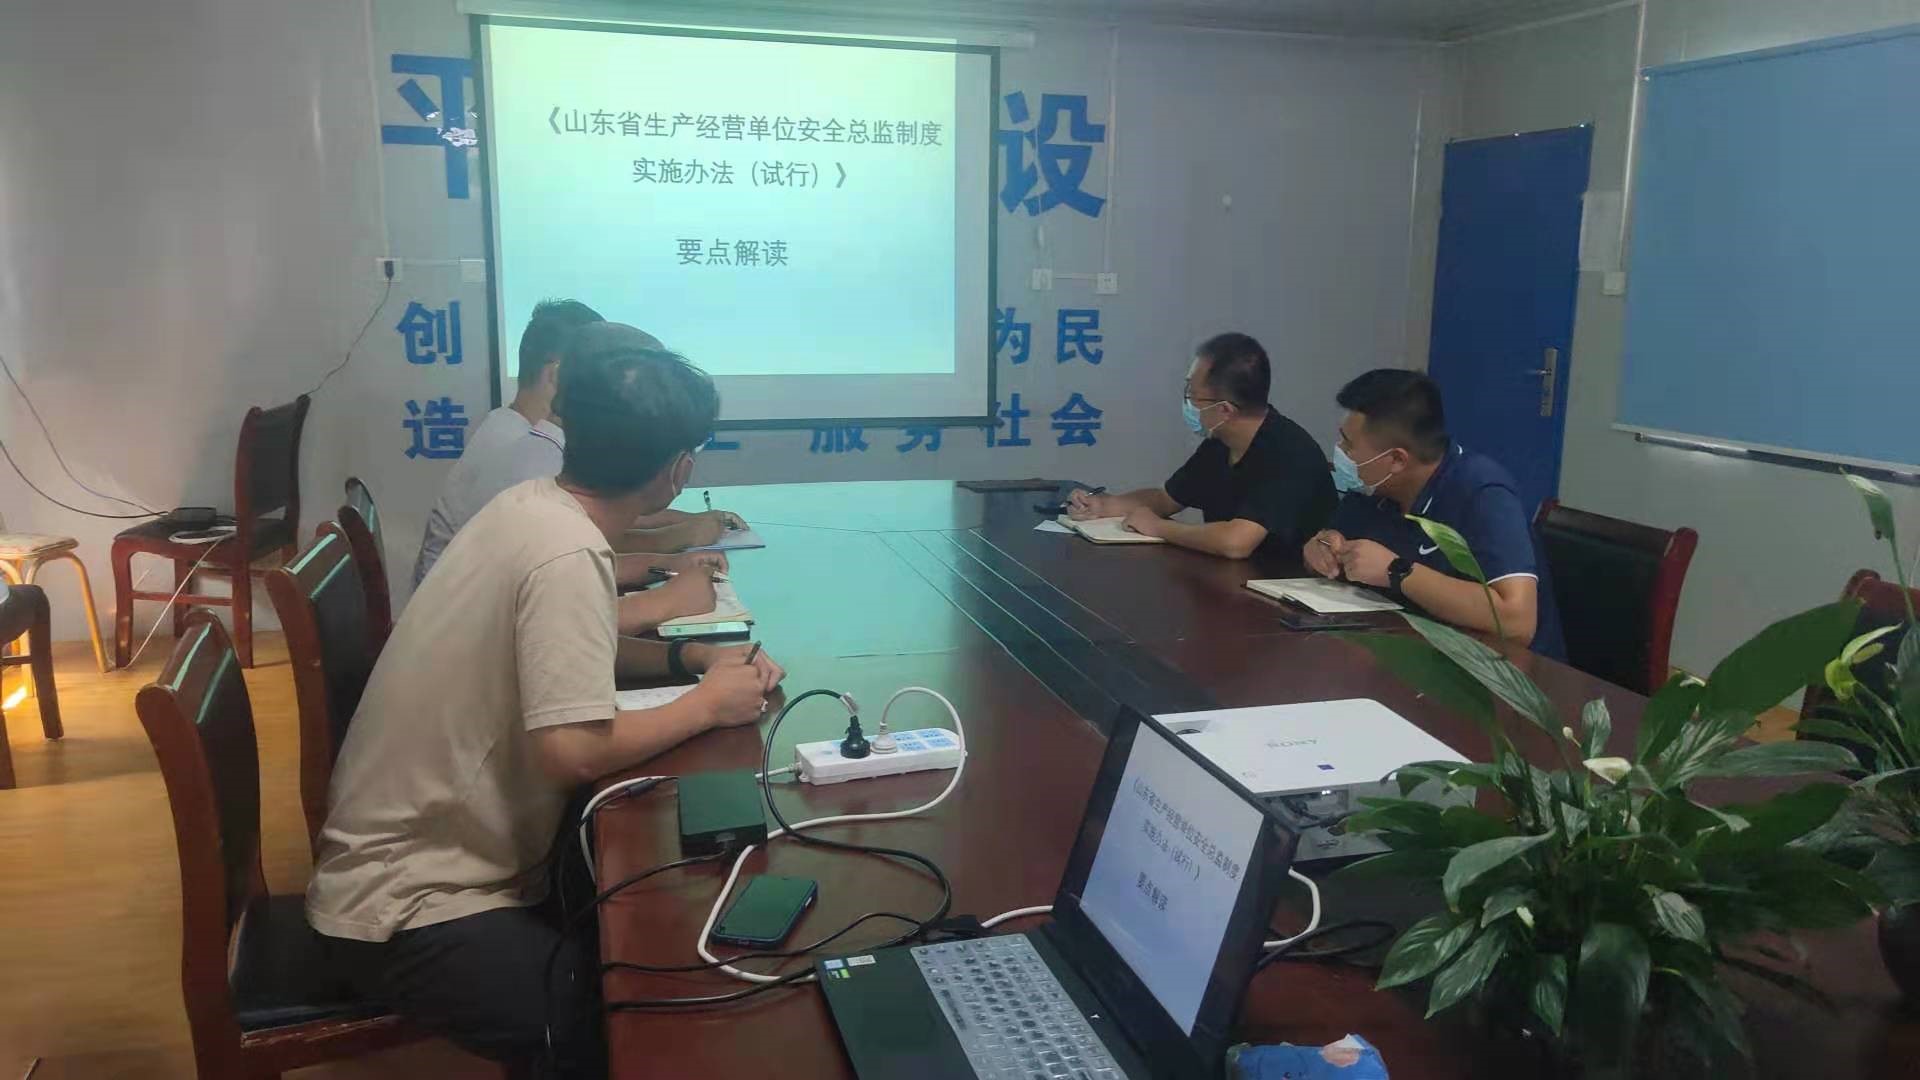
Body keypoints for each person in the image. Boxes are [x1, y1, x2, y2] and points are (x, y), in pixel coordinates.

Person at [308, 324, 787, 1076]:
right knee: (624, 1016)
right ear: (678, 470)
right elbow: (571, 751)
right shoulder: (566, 552)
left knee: (635, 908)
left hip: (418, 861)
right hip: (407, 905)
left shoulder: (533, 506)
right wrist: (707, 704)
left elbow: (567, 648)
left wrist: (689, 658)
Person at [409, 299, 741, 632]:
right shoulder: (533, 461)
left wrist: (668, 560)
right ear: (559, 376)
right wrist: (665, 596)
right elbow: (559, 613)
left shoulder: (516, 435)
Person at [1303, 368, 1565, 658]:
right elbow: (1336, 547)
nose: (1340, 452)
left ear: (1396, 460)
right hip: (1407, 649)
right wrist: (1320, 548)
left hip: (1498, 671)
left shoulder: (1483, 494)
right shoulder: (1372, 489)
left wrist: (1396, 570)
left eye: (1349, 444)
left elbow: (1517, 622)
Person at [1066, 333, 1335, 558]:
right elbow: (1166, 498)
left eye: (1192, 396)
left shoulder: (1289, 452)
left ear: (1225, 410)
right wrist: (1105, 506)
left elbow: (1236, 542)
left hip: (1285, 588)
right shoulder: (1220, 441)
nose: (1188, 404)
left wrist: (1158, 527)